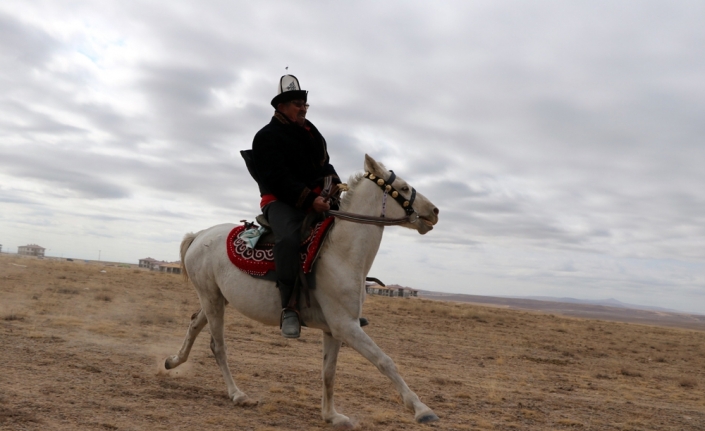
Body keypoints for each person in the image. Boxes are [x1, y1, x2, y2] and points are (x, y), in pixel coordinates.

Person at [250, 75, 340, 338]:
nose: (303, 108)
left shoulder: (312, 133)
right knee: (289, 239)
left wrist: (333, 189)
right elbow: (276, 178)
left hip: (314, 199)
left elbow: (326, 166)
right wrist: (310, 200)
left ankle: (339, 306)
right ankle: (289, 307)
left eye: (305, 104)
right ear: (281, 106)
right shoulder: (266, 137)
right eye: (297, 104)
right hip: (279, 201)